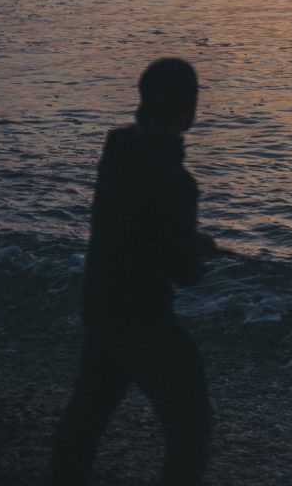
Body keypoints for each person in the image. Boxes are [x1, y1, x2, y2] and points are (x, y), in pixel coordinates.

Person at [51, 58, 216, 485]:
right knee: (190, 421)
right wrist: (195, 253)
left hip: (100, 306)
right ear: (188, 109)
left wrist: (183, 237)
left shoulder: (118, 152)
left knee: (88, 412)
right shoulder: (178, 183)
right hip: (143, 321)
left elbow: (133, 224)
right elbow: (184, 273)